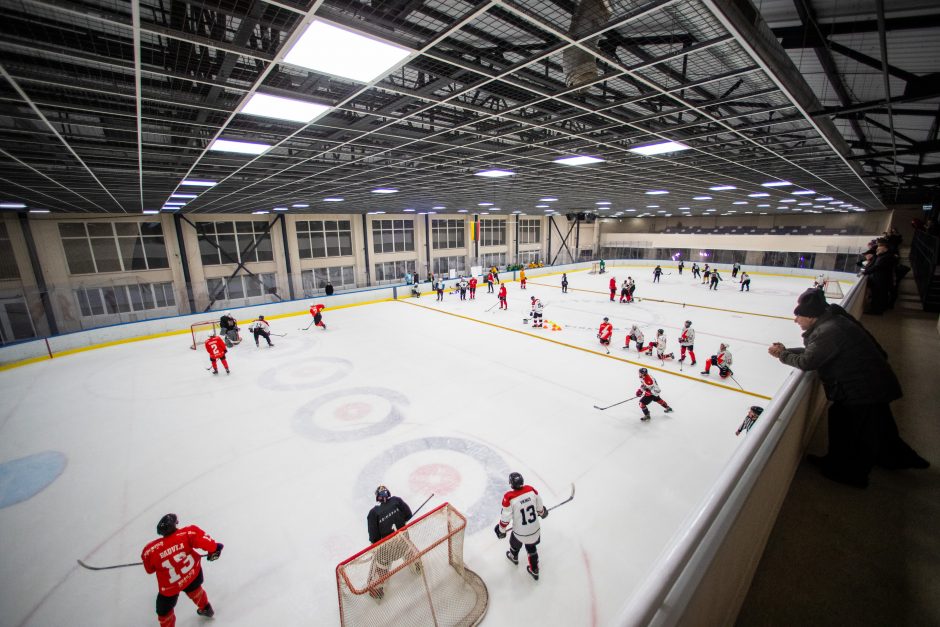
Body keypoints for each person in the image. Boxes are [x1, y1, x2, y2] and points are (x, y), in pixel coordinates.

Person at [768, 288, 928, 488]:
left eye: (798, 316)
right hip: (870, 382)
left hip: (863, 388)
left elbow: (808, 361)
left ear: (811, 316)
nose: (796, 320)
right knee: (878, 426)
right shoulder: (831, 322)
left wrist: (782, 355)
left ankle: (850, 473)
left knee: (850, 429)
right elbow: (818, 351)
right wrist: (787, 350)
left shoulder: (829, 331)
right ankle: (894, 458)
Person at [141, 513, 223, 626]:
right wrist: (215, 549)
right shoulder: (187, 534)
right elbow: (209, 544)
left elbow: (149, 569)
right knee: (196, 591)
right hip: (192, 574)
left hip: (170, 586)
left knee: (164, 611)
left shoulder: (150, 551)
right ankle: (206, 608)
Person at [366, 486, 418, 600]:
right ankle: (417, 567)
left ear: (377, 498)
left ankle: (377, 590)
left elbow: (374, 539)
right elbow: (408, 515)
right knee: (408, 546)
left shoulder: (373, 513)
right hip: (403, 544)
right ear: (388, 493)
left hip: (386, 552)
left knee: (379, 562)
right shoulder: (396, 501)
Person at [494, 472, 546, 581]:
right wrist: (542, 513)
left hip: (520, 533)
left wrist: (501, 530)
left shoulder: (509, 497)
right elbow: (540, 507)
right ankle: (535, 570)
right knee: (531, 547)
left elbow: (505, 519)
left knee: (514, 541)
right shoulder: (531, 490)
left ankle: (514, 557)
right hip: (535, 530)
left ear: (511, 484)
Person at [861, 238, 896, 315]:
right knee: (878, 295)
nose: (877, 249)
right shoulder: (882, 255)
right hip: (880, 279)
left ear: (885, 248)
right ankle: (878, 309)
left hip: (881, 280)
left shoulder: (886, 257)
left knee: (878, 295)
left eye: (879, 247)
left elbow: (877, 267)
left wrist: (865, 272)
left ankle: (876, 311)